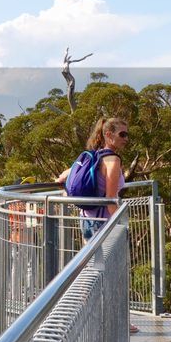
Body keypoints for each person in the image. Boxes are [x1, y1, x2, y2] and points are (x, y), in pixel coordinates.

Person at [58, 117, 136, 331]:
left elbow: (62, 177)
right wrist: (120, 227)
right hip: (104, 222)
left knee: (93, 269)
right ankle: (117, 321)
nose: (126, 139)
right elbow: (111, 198)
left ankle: (89, 316)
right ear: (108, 135)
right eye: (122, 134)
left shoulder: (91, 156)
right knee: (113, 272)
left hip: (87, 219)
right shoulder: (112, 161)